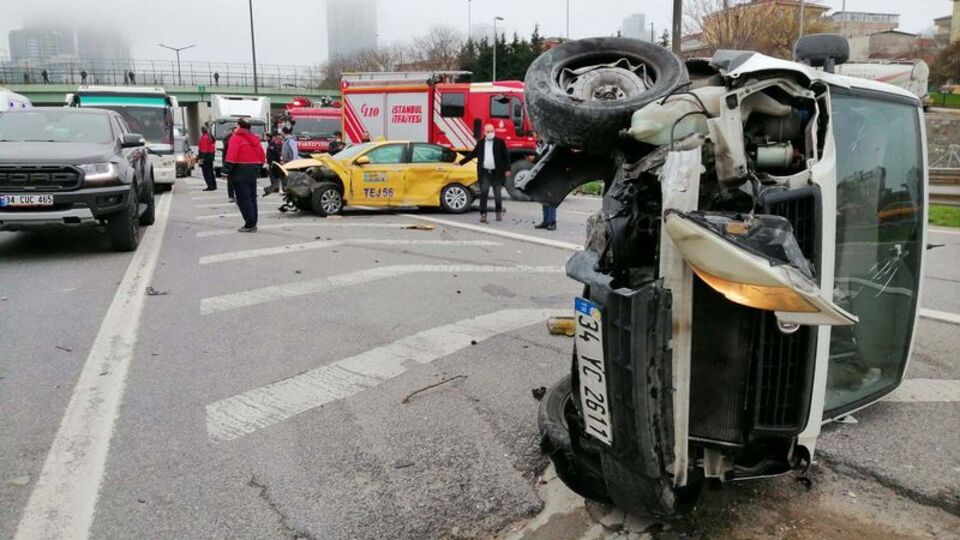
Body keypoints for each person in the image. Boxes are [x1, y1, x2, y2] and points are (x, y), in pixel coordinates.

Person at [459, 123, 511, 223]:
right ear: (484, 132)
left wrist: (508, 169)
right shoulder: (481, 143)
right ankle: (483, 214)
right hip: (485, 172)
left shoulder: (500, 142)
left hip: (497, 173)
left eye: (492, 131)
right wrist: (461, 162)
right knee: (484, 192)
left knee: (497, 194)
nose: (490, 133)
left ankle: (498, 211)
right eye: (488, 131)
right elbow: (472, 154)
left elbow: (506, 156)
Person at [223, 118, 265, 233]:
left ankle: (249, 223)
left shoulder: (236, 138)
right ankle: (253, 222)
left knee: (243, 199)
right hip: (252, 170)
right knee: (252, 198)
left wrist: (225, 170)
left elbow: (232, 155)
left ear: (238, 126)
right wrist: (259, 167)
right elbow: (261, 155)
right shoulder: (255, 139)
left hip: (239, 170)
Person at [198, 125, 217, 191]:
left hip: (205, 156)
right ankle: (214, 185)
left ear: (202, 131)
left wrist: (201, 159)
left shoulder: (204, 138)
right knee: (211, 171)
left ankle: (210, 186)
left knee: (206, 172)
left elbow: (204, 149)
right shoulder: (210, 137)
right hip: (210, 156)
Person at [222, 127, 236, 201]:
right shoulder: (229, 140)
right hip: (230, 161)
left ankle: (234, 195)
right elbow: (226, 153)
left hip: (236, 162)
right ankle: (231, 195)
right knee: (230, 179)